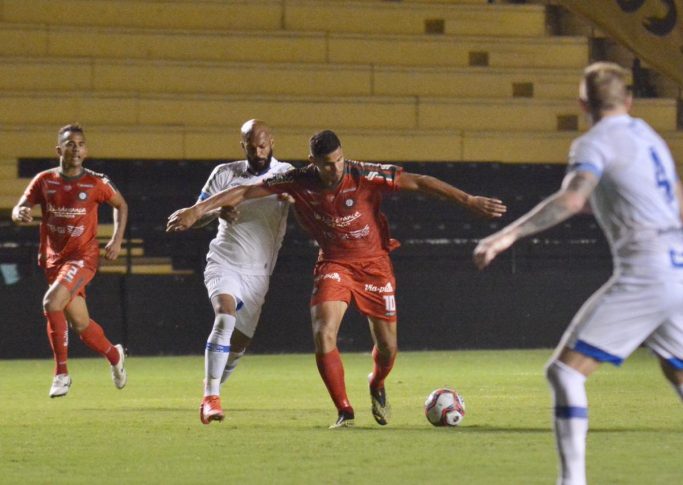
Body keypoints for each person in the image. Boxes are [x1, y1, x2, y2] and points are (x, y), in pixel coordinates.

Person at [473, 62, 683, 485]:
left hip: (647, 272)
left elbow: (572, 200)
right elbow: (681, 212)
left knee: (564, 372)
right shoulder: (650, 137)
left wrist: (505, 236)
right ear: (628, 101)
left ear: (582, 104)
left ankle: (571, 481)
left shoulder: (594, 142)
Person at [168, 130, 506, 428]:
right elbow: (243, 192)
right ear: (312, 162)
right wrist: (197, 210)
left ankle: (376, 382)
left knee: (388, 348)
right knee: (323, 333)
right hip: (334, 263)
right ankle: (344, 411)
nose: (336, 168)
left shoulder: (364, 173)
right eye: (328, 163)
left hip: (374, 265)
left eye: (339, 159)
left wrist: (468, 200)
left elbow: (420, 181)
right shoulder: (298, 179)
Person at [11, 123, 129, 398]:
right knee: (81, 325)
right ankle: (115, 356)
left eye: (80, 144)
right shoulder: (44, 180)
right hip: (53, 260)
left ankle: (61, 373)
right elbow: (21, 206)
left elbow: (121, 204)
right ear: (59, 150)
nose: (76, 149)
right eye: (70, 144)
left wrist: (116, 239)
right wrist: (20, 213)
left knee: (51, 302)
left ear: (86, 150)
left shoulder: (96, 182)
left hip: (82, 257)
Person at [190, 120, 292, 424]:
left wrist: (296, 201)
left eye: (263, 145)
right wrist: (216, 211)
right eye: (252, 146)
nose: (259, 151)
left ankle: (213, 387)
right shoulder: (225, 173)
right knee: (225, 315)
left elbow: (312, 206)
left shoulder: (287, 174)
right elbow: (196, 215)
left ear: (272, 142)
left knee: (239, 345)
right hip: (225, 261)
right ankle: (211, 397)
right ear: (242, 145)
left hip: (258, 273)